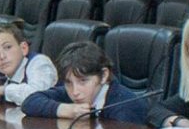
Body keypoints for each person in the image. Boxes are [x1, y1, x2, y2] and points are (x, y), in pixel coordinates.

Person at [20, 40, 152, 122]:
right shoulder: (73, 92)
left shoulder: (126, 107)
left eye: (83, 81)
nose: (75, 92)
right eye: (68, 82)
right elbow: (30, 102)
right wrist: (66, 110)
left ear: (103, 75)